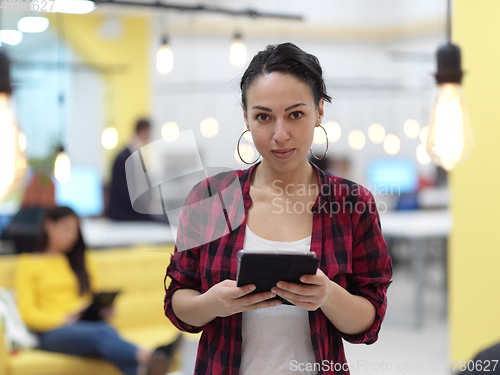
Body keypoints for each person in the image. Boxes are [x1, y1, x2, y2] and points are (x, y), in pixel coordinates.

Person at [164, 42, 392, 375]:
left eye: (296, 114)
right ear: (246, 117)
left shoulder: (354, 205)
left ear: (319, 112)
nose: (279, 135)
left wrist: (328, 294)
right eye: (263, 117)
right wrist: (211, 304)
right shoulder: (210, 198)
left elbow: (369, 321)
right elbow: (177, 302)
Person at [14, 206, 178, 375]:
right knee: (102, 333)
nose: (71, 236)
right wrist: (64, 319)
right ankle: (152, 355)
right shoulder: (28, 264)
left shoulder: (78, 260)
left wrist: (99, 310)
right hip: (51, 332)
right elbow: (28, 313)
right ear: (49, 226)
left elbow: (89, 298)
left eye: (75, 231)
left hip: (84, 326)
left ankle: (143, 369)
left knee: (107, 339)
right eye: (66, 229)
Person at [108, 119, 155, 221]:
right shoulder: (125, 158)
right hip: (124, 213)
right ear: (144, 131)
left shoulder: (132, 155)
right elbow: (122, 191)